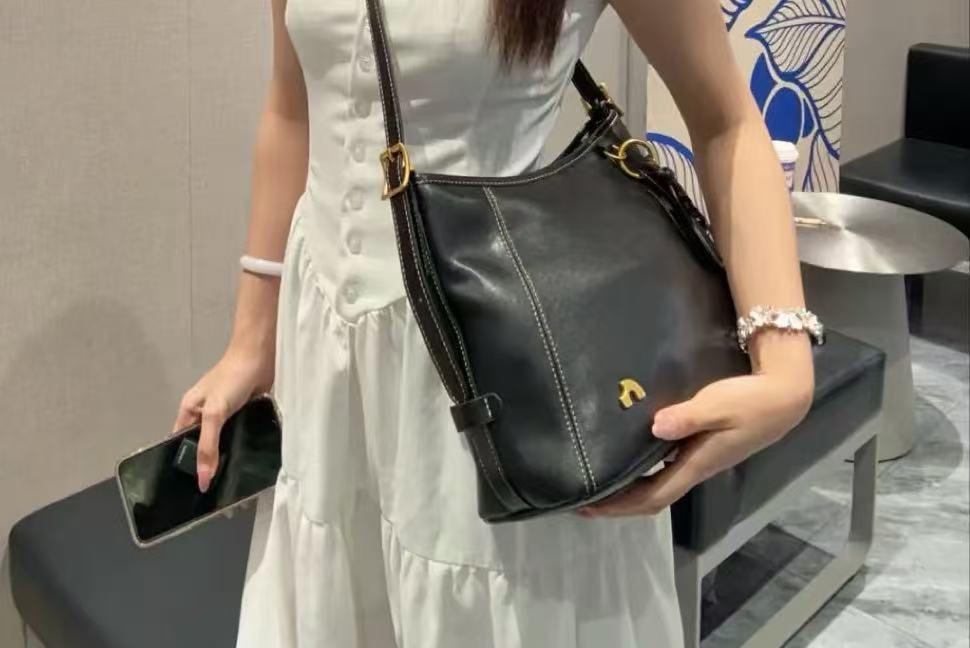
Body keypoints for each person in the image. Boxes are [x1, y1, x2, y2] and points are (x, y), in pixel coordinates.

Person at [171, 1, 816, 646]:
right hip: (325, 353)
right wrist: (251, 341)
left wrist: (784, 361)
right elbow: (292, 107)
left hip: (494, 353)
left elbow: (725, 120)